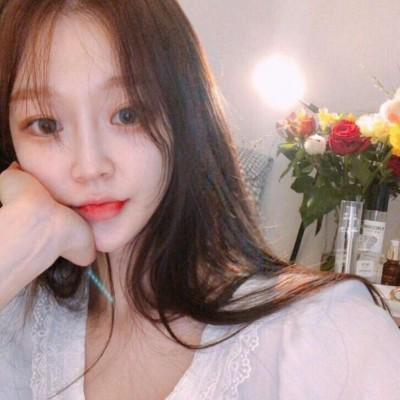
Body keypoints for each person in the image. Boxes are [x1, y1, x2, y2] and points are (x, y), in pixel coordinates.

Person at [0, 0, 399, 399]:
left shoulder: (328, 336)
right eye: (45, 124)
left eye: (128, 114)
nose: (89, 167)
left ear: (187, 115)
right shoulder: (15, 321)